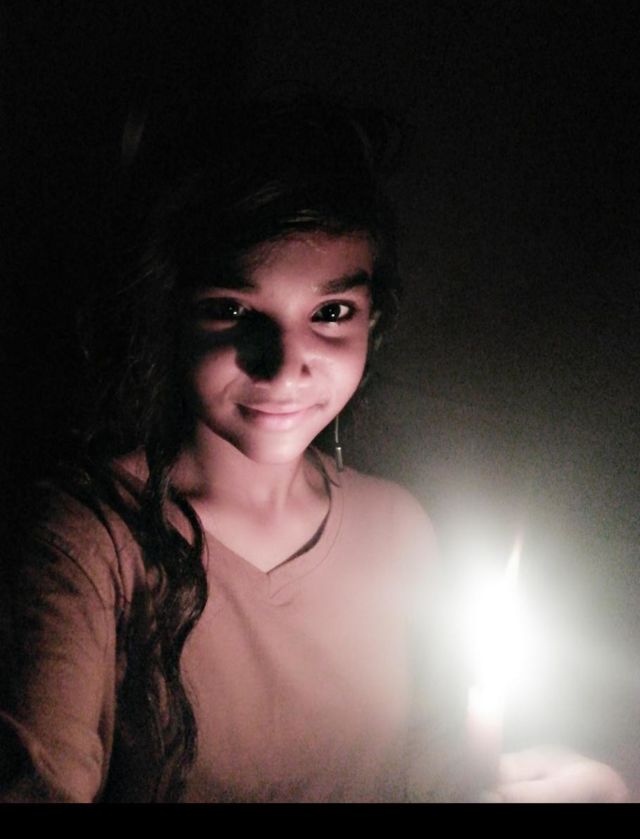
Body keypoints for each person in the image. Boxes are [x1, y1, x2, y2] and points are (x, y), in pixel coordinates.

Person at [0, 98, 628, 804]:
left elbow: (425, 760)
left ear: (372, 320)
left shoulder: (396, 527)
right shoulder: (90, 541)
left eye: (330, 313)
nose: (284, 365)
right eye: (234, 310)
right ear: (168, 313)